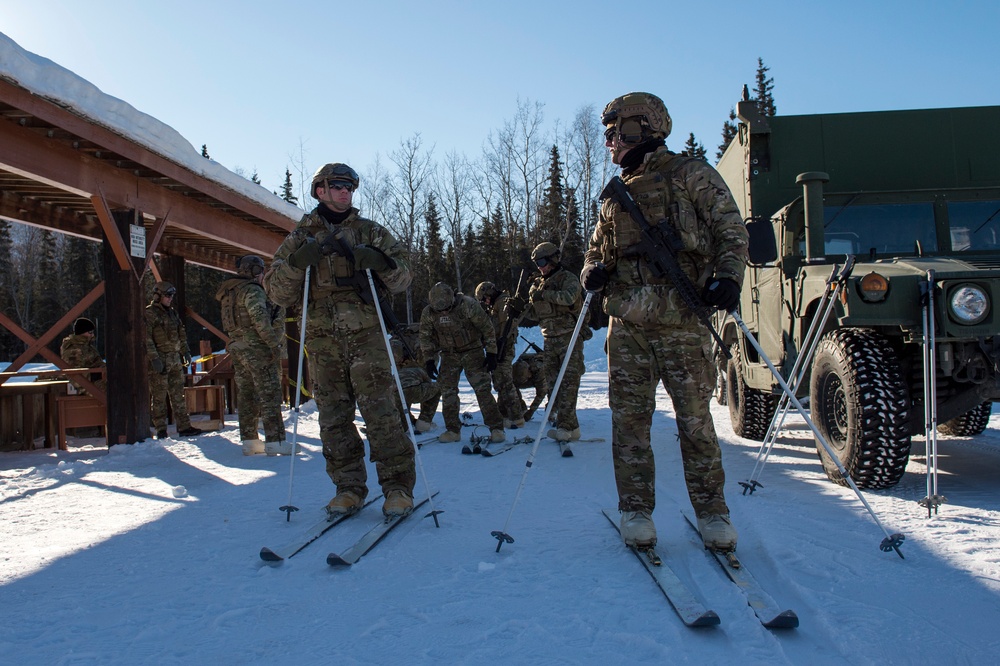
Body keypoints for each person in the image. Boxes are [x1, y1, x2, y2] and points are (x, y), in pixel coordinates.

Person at [581, 92, 748, 552]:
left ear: (640, 127)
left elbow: (731, 231)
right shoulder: (616, 195)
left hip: (681, 322)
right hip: (627, 327)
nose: (610, 143)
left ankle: (713, 512)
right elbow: (596, 252)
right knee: (630, 423)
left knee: (695, 422)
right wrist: (592, 272)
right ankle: (636, 510)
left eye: (615, 133)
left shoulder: (690, 174)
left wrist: (729, 278)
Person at [263, 162, 416, 518]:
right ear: (320, 190)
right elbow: (276, 292)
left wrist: (382, 262)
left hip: (367, 339)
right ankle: (348, 488)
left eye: (350, 186)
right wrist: (296, 264)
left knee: (381, 413)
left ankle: (397, 487)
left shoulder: (370, 232)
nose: (345, 191)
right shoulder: (300, 238)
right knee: (333, 419)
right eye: (337, 185)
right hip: (322, 343)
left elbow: (404, 277)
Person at [215, 254, 289, 456]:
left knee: (246, 394)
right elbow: (260, 321)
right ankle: (276, 441)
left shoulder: (230, 292)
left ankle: (249, 440)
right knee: (270, 393)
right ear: (255, 271)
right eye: (261, 270)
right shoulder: (252, 291)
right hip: (257, 349)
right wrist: (274, 344)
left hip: (238, 347)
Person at [418, 282, 506, 444]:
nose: (443, 312)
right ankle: (452, 430)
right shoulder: (429, 313)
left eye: (446, 308)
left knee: (482, 389)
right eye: (440, 310)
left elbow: (487, 328)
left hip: (473, 351)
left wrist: (491, 352)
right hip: (449, 354)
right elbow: (425, 336)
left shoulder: (468, 305)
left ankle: (496, 427)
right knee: (447, 390)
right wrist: (429, 359)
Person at [525, 242, 590, 442]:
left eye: (543, 262)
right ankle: (573, 427)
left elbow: (569, 297)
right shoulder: (538, 284)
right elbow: (536, 314)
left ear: (553, 259)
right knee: (554, 385)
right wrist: (524, 306)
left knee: (569, 383)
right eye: (537, 263)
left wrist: (543, 294)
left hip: (569, 336)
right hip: (549, 339)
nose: (540, 267)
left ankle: (565, 427)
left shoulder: (568, 279)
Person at [145, 281, 201, 439]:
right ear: (158, 296)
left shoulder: (173, 313)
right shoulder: (150, 314)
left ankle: (184, 426)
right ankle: (160, 429)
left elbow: (181, 335)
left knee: (178, 394)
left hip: (175, 359)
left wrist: (186, 352)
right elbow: (147, 338)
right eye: (167, 295)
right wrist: (154, 359)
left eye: (172, 296)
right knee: (159, 396)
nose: (170, 299)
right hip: (160, 360)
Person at [475, 281, 525, 428]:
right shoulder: (497, 304)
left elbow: (507, 327)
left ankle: (516, 416)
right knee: (501, 381)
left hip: (504, 346)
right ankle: (507, 411)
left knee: (504, 382)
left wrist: (500, 345)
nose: (485, 302)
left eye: (484, 298)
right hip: (499, 346)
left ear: (489, 292)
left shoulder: (503, 302)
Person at [390, 337, 441, 433]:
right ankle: (424, 421)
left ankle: (405, 424)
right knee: (438, 388)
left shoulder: (398, 372)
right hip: (416, 390)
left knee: (399, 398)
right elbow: (428, 383)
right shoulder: (420, 369)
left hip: (396, 392)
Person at [60, 317, 106, 395]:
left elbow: (98, 362)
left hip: (97, 380)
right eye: (90, 332)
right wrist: (97, 375)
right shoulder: (73, 349)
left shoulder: (88, 346)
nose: (92, 335)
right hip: (86, 385)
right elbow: (75, 374)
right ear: (82, 332)